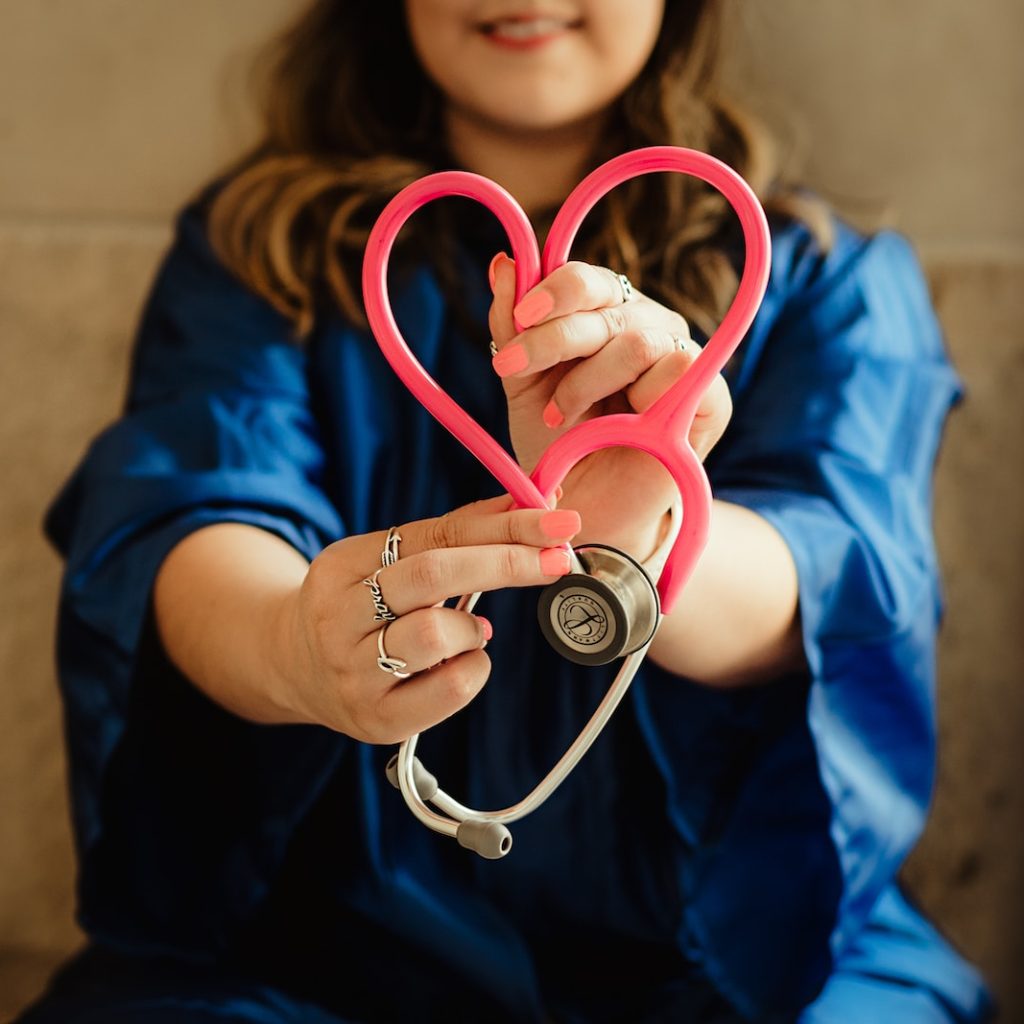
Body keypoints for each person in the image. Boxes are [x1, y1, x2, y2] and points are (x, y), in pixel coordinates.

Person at [19, 1, 994, 1021]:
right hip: (315, 953)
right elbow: (185, 509)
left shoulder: (822, 277)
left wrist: (636, 540)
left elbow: (838, 573)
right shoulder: (254, 254)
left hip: (747, 953)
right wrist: (293, 646)